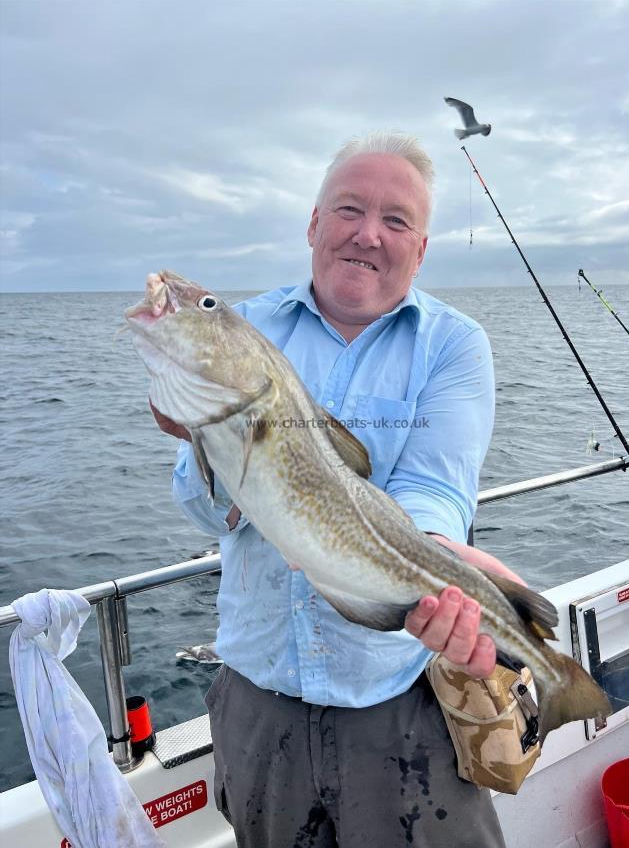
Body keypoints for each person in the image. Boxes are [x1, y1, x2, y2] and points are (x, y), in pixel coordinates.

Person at [154, 132, 520, 847]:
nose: (367, 234)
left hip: (401, 698)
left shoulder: (455, 344)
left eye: (397, 220)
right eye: (349, 209)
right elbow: (204, 510)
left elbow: (434, 490)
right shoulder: (249, 329)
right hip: (259, 699)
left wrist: (437, 569)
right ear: (314, 224)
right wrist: (199, 435)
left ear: (421, 248)